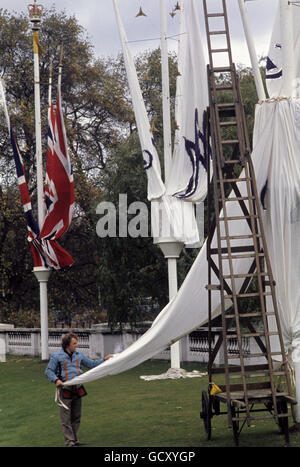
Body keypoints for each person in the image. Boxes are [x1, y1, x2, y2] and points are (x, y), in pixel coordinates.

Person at [45, 332, 113, 447]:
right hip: (65, 390)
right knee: (65, 419)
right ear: (67, 345)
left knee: (76, 416)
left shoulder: (79, 355)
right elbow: (48, 371)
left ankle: (74, 440)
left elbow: (92, 364)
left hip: (78, 389)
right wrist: (56, 380)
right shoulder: (56, 357)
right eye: (74, 343)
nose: (76, 345)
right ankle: (69, 442)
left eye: (76, 343)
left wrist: (104, 359)